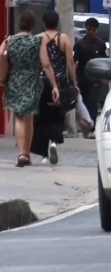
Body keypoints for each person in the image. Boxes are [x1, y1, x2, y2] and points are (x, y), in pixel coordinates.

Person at [1, 10, 60, 167]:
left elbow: (1, 55)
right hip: (32, 81)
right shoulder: (37, 42)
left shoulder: (9, 41)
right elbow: (46, 64)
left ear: (19, 24)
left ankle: (21, 154)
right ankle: (26, 152)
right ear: (33, 25)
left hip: (14, 80)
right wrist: (54, 85)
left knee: (19, 117)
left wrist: (3, 76)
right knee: (30, 117)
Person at [33, 11, 78, 165]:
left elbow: (37, 62)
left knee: (41, 116)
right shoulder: (63, 38)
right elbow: (70, 62)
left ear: (44, 23)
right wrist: (74, 81)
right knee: (58, 114)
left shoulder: (38, 38)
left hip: (41, 81)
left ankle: (43, 154)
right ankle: (54, 141)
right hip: (60, 81)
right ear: (57, 23)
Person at [73, 17, 107, 137]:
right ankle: (85, 128)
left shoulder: (100, 44)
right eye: (89, 30)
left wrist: (105, 78)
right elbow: (73, 60)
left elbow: (104, 60)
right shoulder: (79, 44)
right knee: (84, 104)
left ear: (96, 30)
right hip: (82, 79)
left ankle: (91, 129)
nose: (91, 32)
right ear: (86, 29)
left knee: (93, 104)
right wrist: (74, 77)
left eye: (93, 30)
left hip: (95, 80)